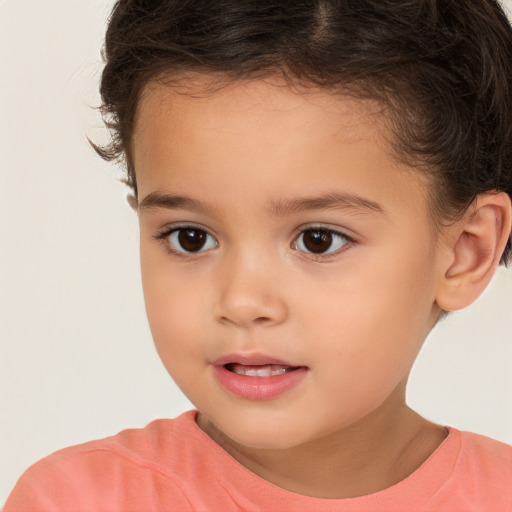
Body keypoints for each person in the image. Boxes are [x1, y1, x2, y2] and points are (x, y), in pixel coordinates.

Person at [4, 0, 512, 510]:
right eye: (190, 237)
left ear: (466, 252)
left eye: (318, 239)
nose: (243, 301)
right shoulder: (78, 501)